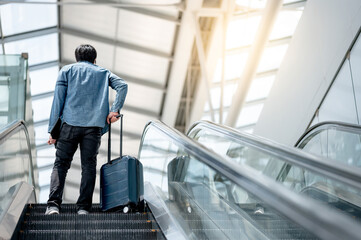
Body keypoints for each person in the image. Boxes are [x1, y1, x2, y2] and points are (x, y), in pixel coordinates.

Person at [45, 44, 128, 215]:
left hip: (69, 125)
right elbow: (122, 86)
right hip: (93, 128)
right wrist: (114, 110)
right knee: (89, 167)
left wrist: (53, 132)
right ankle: (83, 208)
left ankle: (53, 205)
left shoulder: (67, 71)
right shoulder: (103, 73)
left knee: (60, 165)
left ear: (77, 58)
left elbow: (57, 102)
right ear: (94, 59)